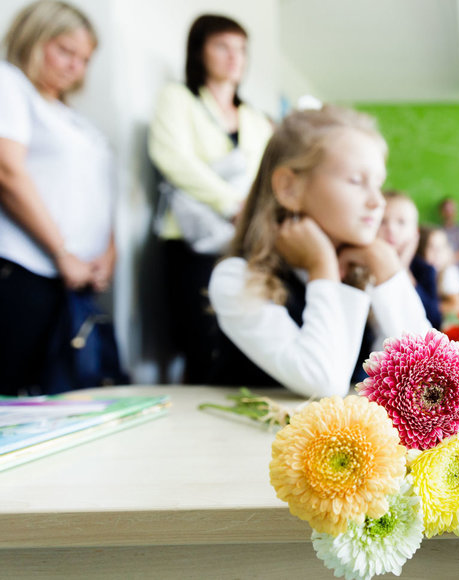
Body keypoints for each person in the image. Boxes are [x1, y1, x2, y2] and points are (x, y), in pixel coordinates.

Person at [207, 106, 430, 397]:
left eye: (378, 184)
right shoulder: (236, 278)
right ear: (289, 188)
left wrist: (388, 269)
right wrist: (321, 266)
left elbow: (430, 375)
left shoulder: (363, 266)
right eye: (356, 181)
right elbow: (323, 382)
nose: (378, 202)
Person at [0, 1, 119, 394]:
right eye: (65, 51)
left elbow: (96, 191)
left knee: (57, 400)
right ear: (34, 39)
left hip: (74, 280)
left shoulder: (70, 116)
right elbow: (8, 172)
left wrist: (108, 251)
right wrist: (62, 252)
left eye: (84, 59)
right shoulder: (9, 84)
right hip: (26, 269)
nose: (75, 67)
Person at [148, 14, 274, 384]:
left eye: (241, 49)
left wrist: (250, 215)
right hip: (190, 242)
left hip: (242, 243)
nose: (234, 57)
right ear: (199, 51)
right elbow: (173, 159)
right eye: (222, 46)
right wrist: (233, 204)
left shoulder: (254, 118)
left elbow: (264, 178)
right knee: (198, 340)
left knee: (239, 339)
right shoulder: (178, 98)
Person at [379, 191, 442, 329]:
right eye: (382, 221)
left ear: (415, 232)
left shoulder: (425, 270)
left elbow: (435, 321)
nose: (391, 229)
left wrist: (402, 269)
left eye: (401, 222)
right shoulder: (358, 267)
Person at [418, 225, 459, 318]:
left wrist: (428, 306)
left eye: (442, 247)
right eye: (431, 247)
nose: (438, 252)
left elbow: (458, 305)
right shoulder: (419, 272)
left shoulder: (449, 272)